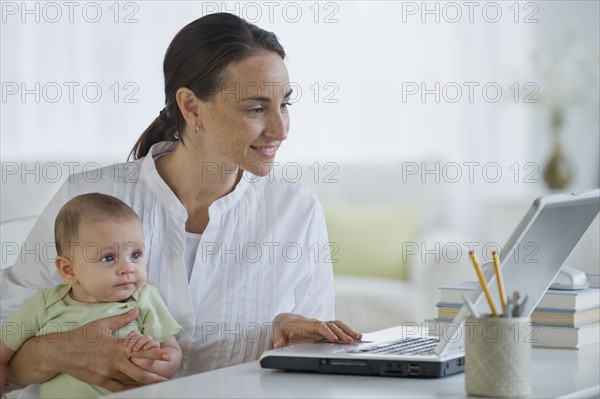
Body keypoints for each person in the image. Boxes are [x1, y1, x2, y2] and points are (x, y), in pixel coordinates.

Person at [0, 12, 361, 393]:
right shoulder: (89, 199)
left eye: (285, 104)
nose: (280, 129)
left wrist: (291, 334)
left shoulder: (296, 210)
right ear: (191, 107)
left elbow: (316, 367)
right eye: (256, 109)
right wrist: (52, 352)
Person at [0, 193, 183, 398]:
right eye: (108, 257)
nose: (128, 268)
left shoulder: (143, 298)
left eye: (135, 254)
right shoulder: (45, 304)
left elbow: (172, 355)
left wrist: (150, 360)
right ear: (68, 270)